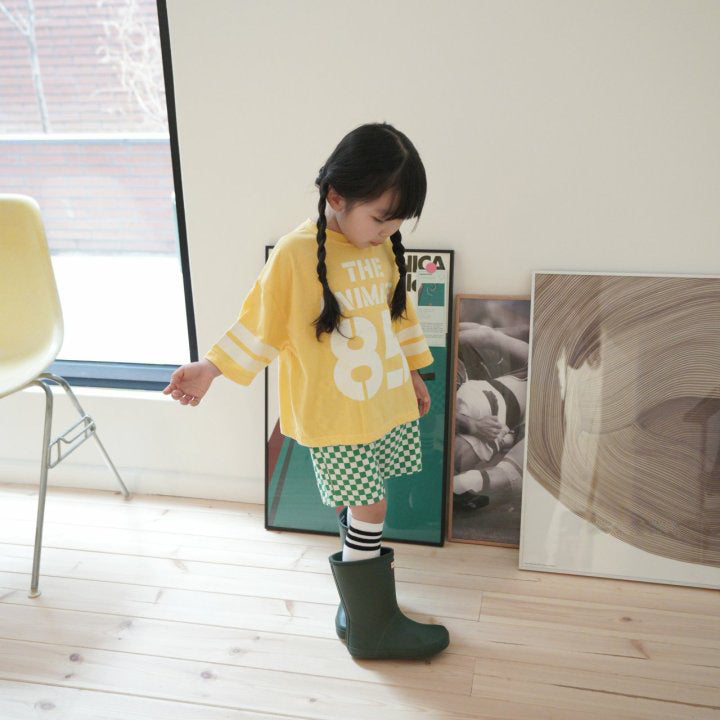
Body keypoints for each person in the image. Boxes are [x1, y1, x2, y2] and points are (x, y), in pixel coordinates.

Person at [162, 122, 449, 661]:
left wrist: (413, 370)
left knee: (359, 499)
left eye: (397, 222)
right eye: (380, 218)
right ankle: (372, 627)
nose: (387, 231)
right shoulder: (297, 254)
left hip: (381, 400)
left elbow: (398, 314)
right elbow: (261, 323)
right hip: (334, 412)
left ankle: (356, 609)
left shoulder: (379, 248)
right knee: (370, 504)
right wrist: (211, 367)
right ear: (336, 197)